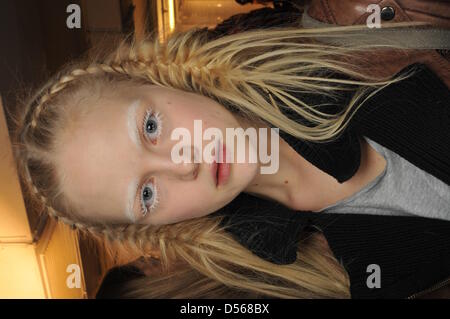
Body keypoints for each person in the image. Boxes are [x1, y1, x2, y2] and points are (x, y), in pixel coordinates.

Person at [10, 9, 450, 298]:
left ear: (154, 77)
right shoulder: (305, 275)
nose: (182, 164)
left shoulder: (359, 22)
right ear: (155, 226)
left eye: (150, 127)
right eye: (146, 194)